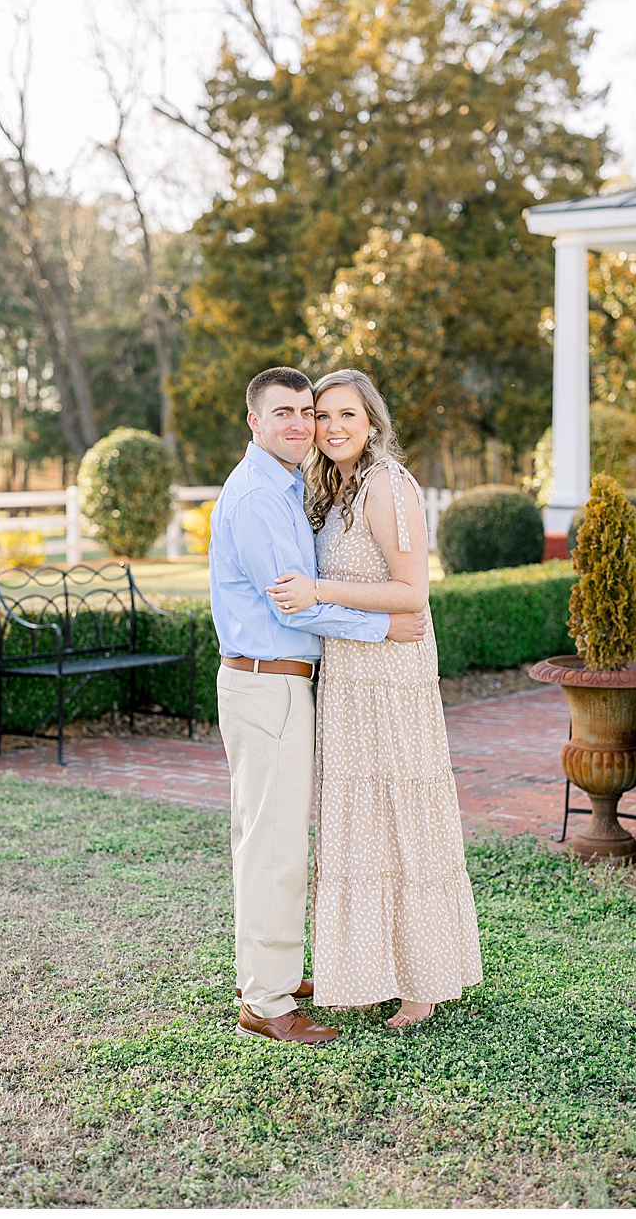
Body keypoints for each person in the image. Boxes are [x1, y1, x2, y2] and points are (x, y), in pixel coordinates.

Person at [210, 367, 429, 1046]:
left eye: (308, 411)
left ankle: (268, 971)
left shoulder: (290, 488)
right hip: (267, 681)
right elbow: (293, 598)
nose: (302, 424)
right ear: (254, 420)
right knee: (273, 846)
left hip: (279, 682)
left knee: (268, 838)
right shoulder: (256, 497)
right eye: (286, 413)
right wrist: (384, 628)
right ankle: (268, 1003)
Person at [266, 370, 482, 1032]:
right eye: (322, 416)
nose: (332, 428)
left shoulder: (388, 485)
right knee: (358, 823)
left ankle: (423, 984)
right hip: (348, 676)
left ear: (371, 422)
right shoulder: (332, 490)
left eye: (345, 415)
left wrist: (320, 591)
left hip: (392, 673)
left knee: (400, 814)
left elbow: (413, 593)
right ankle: (364, 972)